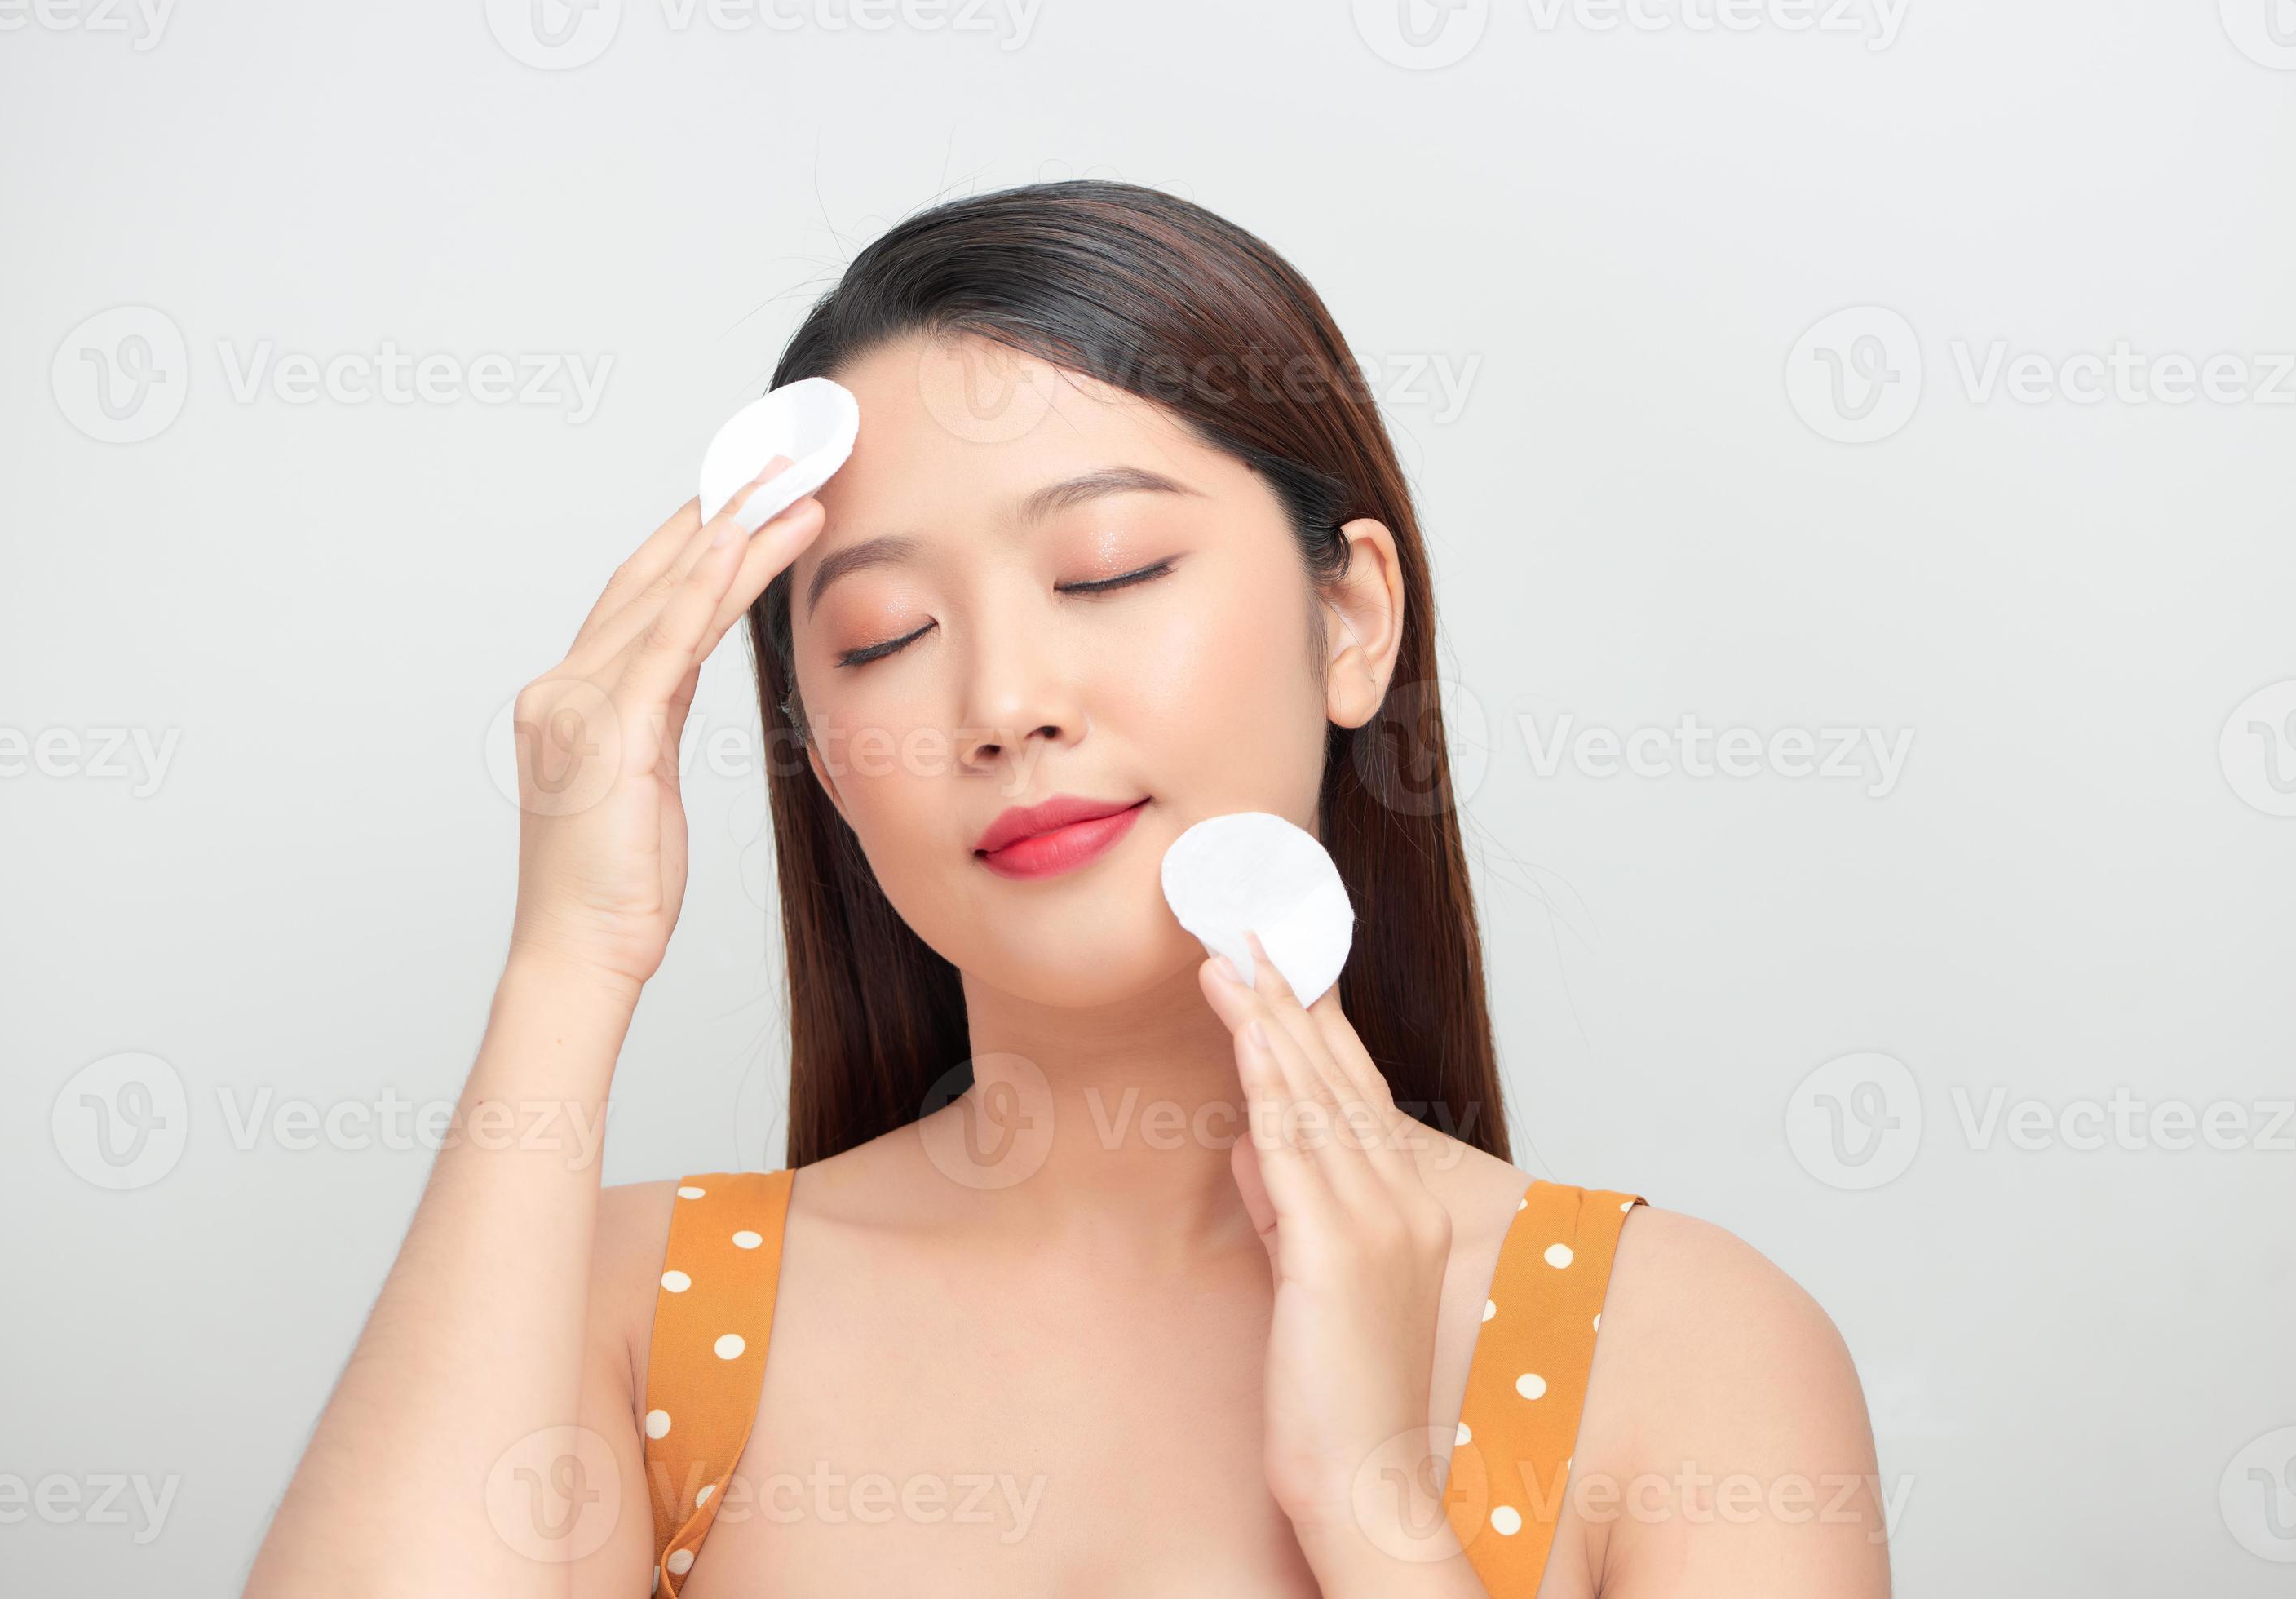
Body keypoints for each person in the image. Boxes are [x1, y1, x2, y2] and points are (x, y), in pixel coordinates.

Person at [244, 179, 1891, 1598]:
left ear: (1349, 620)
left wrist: (1377, 1509)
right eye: (883, 636)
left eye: (1106, 571)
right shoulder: (620, 1313)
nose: (1001, 702)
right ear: (819, 752)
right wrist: (569, 960)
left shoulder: (1687, 1351)